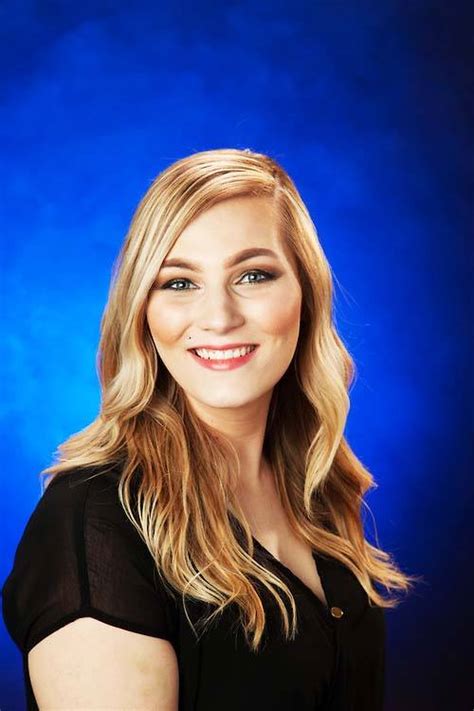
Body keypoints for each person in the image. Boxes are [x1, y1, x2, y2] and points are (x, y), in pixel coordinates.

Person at [1, 147, 419, 710]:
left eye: (253, 275)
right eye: (179, 283)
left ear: (306, 294)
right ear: (142, 312)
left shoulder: (316, 490)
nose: (219, 317)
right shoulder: (95, 523)